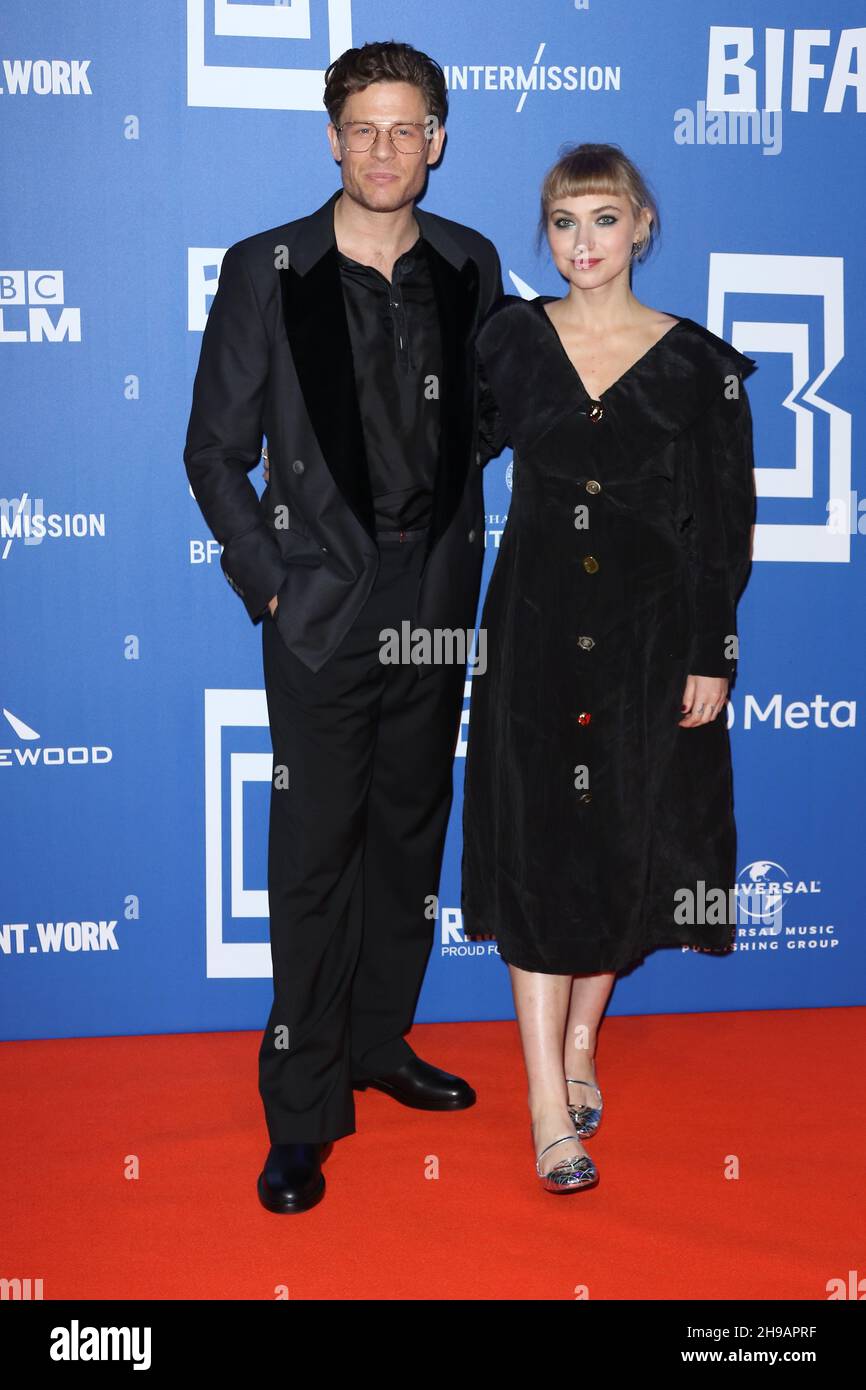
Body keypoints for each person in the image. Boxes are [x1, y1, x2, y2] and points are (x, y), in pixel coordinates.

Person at [184, 41, 503, 1213]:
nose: (383, 150)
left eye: (405, 128)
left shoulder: (471, 263)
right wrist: (269, 580)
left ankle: (378, 1043)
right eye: (361, 128)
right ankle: (302, 1107)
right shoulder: (265, 267)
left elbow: (493, 419)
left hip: (435, 604)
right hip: (317, 611)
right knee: (313, 858)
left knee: (407, 842)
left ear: (437, 139)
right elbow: (213, 450)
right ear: (331, 138)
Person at [460, 143, 757, 1193]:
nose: (580, 244)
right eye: (561, 223)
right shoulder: (512, 341)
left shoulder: (698, 365)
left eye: (600, 219)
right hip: (533, 633)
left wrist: (709, 651)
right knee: (538, 849)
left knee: (619, 838)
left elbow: (723, 529)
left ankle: (583, 1038)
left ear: (640, 225)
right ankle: (546, 1101)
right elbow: (444, 453)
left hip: (645, 638)